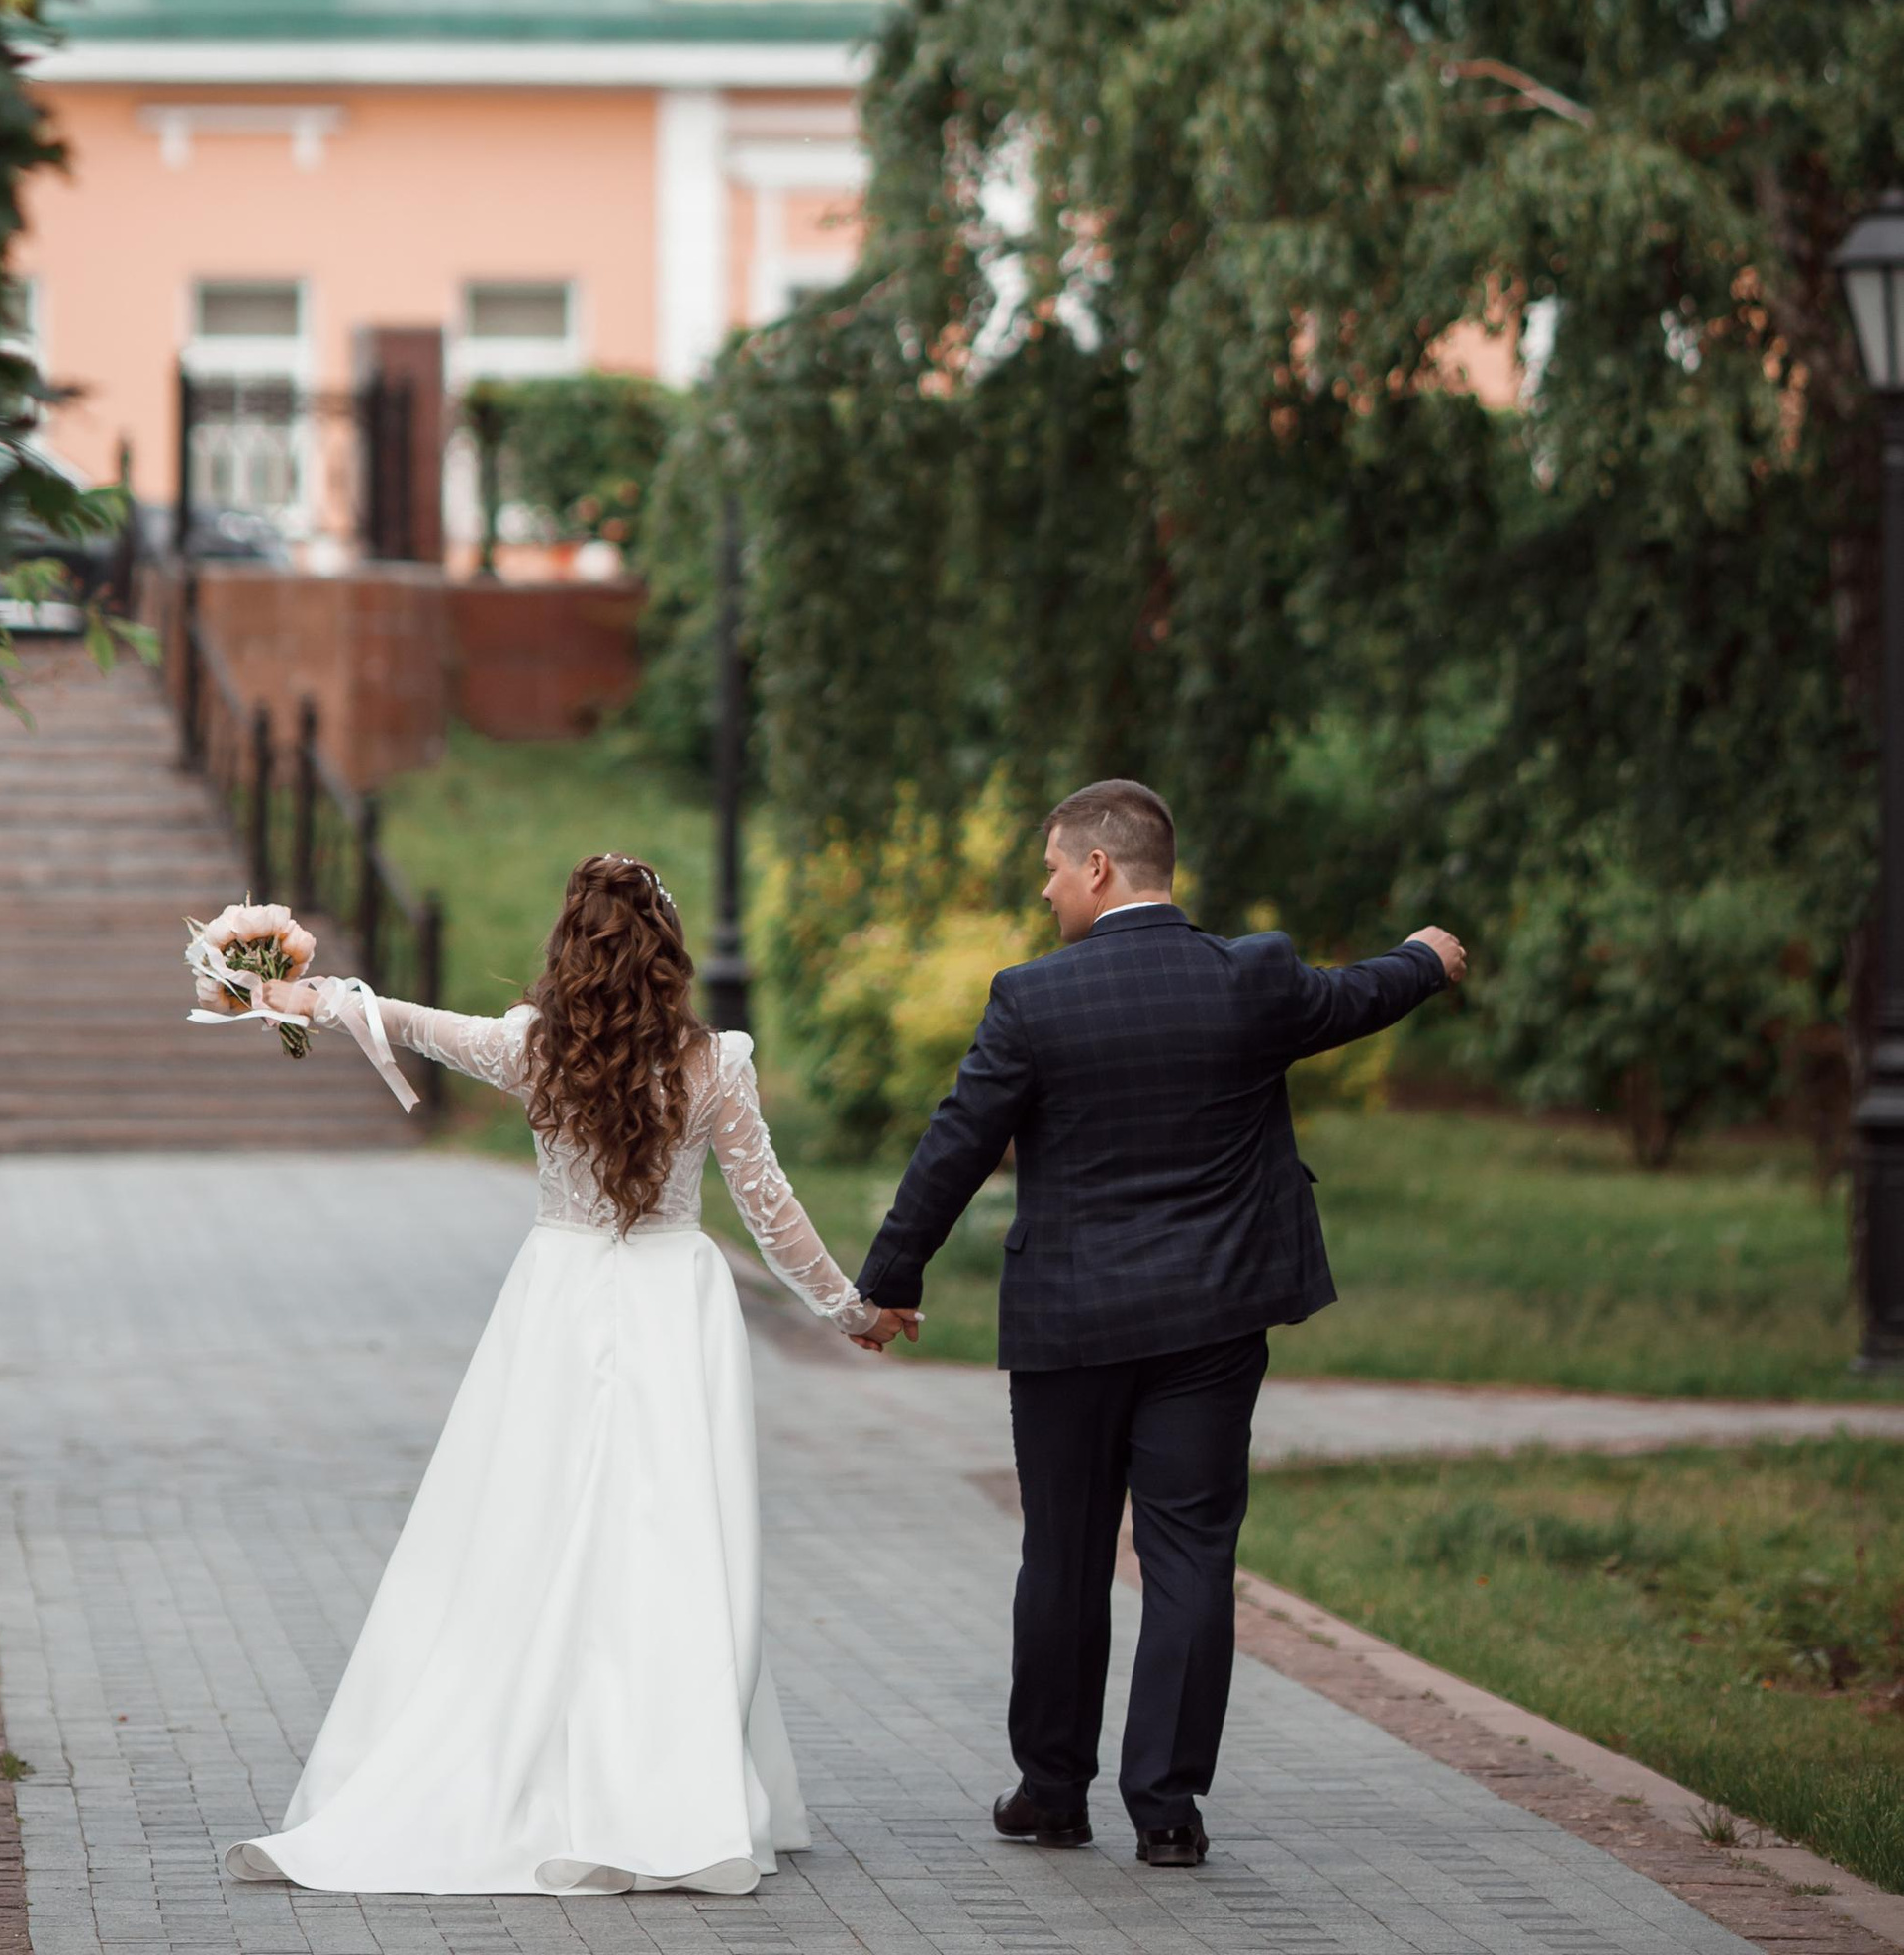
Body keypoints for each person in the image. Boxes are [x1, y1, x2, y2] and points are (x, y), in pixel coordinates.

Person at [224, 852, 878, 1897]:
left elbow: (404, 1018)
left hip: (558, 1300)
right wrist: (851, 1308)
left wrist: (305, 995)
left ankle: (514, 1757)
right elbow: (771, 1212)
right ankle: (671, 1781)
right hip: (675, 1306)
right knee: (670, 1544)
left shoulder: (531, 1049)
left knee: (525, 1530)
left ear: (569, 951)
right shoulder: (719, 1065)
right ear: (668, 955)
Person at [853, 777, 1466, 1874]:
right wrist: (1426, 956)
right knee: (1188, 1558)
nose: (1043, 891)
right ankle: (1168, 1810)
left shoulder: (1032, 1000)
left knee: (1066, 1556)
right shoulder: (1251, 979)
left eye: (1050, 867)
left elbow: (957, 1140)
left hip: (1068, 1329)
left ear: (1098, 866)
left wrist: (889, 1281)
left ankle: (1050, 1794)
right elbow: (1359, 996)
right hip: (1210, 1323)